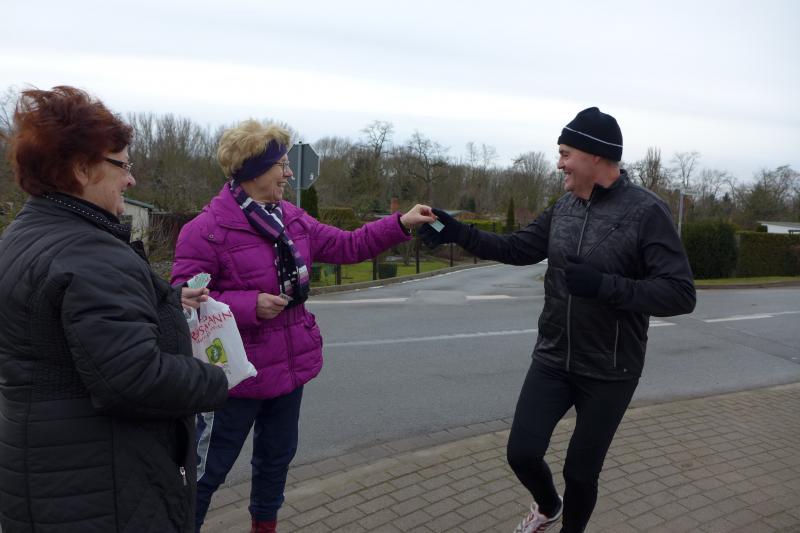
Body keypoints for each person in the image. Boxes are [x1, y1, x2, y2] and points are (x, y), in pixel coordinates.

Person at [419, 107, 696, 533]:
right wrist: (458, 232)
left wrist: (604, 285)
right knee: (521, 453)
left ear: (596, 156)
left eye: (566, 153)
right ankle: (549, 506)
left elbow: (680, 293)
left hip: (610, 369)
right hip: (553, 357)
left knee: (581, 474)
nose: (559, 163)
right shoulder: (564, 208)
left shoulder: (646, 212)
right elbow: (517, 248)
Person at [171, 119, 435, 533]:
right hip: (232, 378)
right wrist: (249, 305)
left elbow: (348, 245)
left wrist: (400, 223)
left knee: (275, 463)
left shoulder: (292, 219)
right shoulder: (205, 231)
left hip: (288, 370)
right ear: (253, 170)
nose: (289, 173)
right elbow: (185, 299)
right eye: (281, 164)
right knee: (207, 473)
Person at [0, 86, 229, 533]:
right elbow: (134, 379)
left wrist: (163, 301)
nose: (131, 180)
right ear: (82, 169)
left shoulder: (24, 236)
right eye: (122, 165)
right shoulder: (91, 254)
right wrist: (213, 378)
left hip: (45, 474)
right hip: (104, 489)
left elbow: (68, 336)